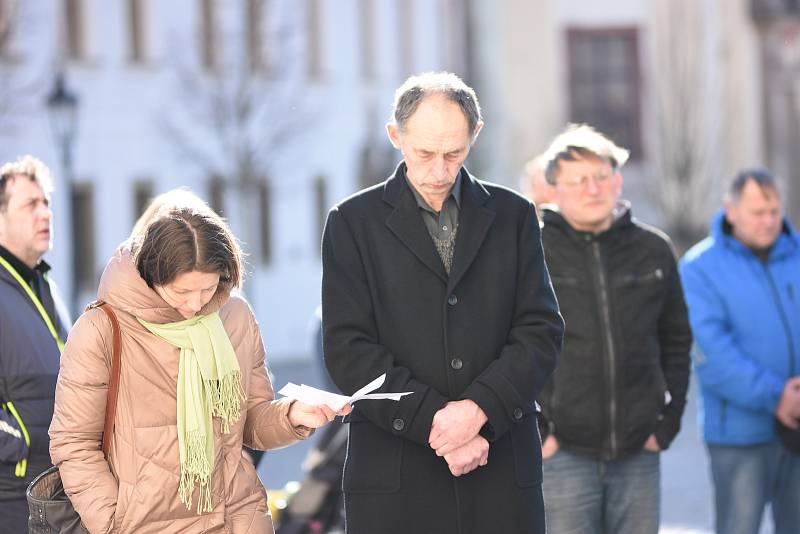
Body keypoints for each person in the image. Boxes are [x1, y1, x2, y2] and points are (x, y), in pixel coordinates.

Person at [321, 72, 564, 534]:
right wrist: (438, 422)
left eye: (453, 153)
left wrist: (478, 411)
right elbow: (348, 350)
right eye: (424, 153)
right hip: (396, 478)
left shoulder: (514, 216)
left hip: (499, 472)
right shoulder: (351, 223)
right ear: (396, 136)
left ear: (476, 134)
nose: (439, 171)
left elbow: (541, 331)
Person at [49, 201, 349, 533]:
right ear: (152, 274)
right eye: (182, 291)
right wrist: (111, 522)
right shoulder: (101, 329)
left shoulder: (234, 317)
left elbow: (249, 421)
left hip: (236, 520)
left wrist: (291, 415)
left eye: (207, 289)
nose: (195, 305)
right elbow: (73, 442)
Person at [537, 124, 692, 534]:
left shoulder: (653, 249)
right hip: (563, 452)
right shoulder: (532, 254)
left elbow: (676, 340)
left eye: (601, 177)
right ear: (554, 189)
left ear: (617, 181)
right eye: (579, 180)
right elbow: (504, 343)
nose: (593, 189)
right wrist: (539, 429)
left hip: (639, 450)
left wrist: (668, 421)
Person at [680, 168, 800, 534]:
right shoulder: (700, 267)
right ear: (731, 211)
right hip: (740, 435)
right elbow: (711, 353)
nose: (768, 221)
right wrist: (777, 396)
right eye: (757, 212)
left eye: (774, 211)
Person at [0, 155, 70, 532]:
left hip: (55, 491)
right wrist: (21, 446)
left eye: (47, 203)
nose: (45, 213)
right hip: (9, 497)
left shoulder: (47, 288)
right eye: (30, 204)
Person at [519, 154, 555, 219]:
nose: (541, 193)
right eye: (536, 186)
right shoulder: (524, 211)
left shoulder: (557, 211)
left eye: (543, 187)